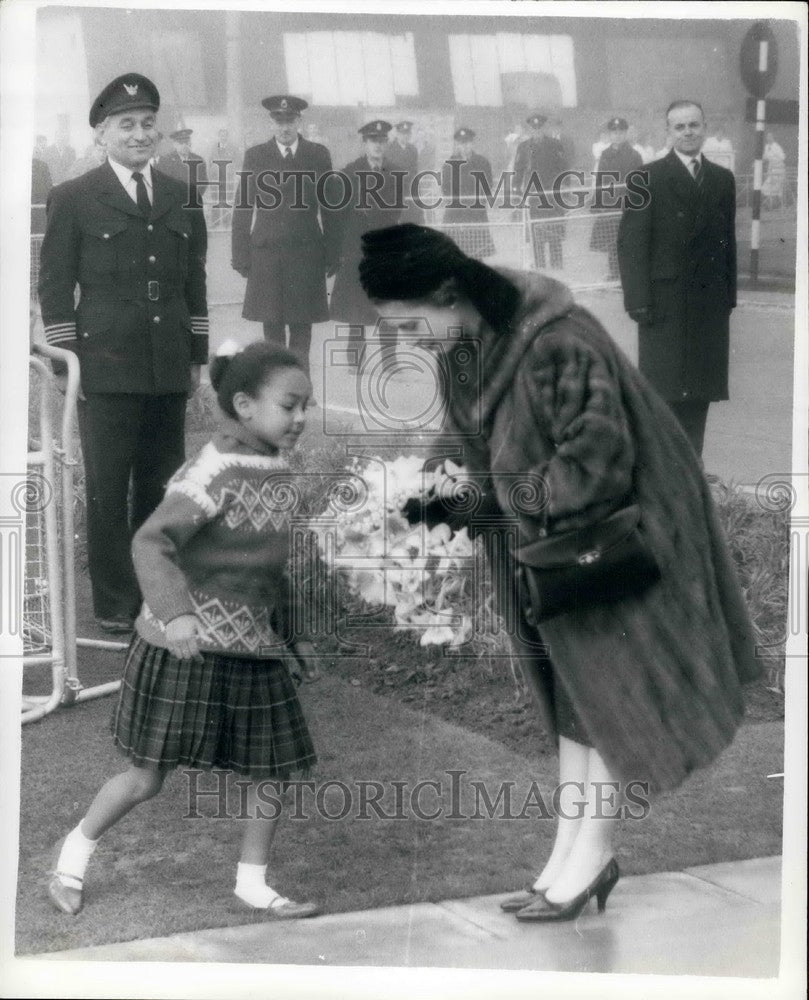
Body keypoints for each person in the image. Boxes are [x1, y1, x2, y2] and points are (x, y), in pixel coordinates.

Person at [358, 222, 759, 922]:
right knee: (574, 699)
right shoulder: (468, 338)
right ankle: (570, 855)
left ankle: (590, 854)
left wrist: (486, 498)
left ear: (448, 293)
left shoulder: (559, 341)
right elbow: (462, 432)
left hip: (621, 538)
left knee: (598, 701)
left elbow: (595, 466)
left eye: (408, 320)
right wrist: (431, 484)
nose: (407, 338)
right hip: (556, 542)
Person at [47, 341, 322, 921]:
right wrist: (176, 614)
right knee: (146, 778)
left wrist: (296, 637)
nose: (300, 419)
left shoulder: (280, 471)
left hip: (254, 649)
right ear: (245, 405)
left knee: (271, 772)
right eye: (290, 405)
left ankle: (252, 882)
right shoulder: (212, 470)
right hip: (184, 649)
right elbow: (152, 541)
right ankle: (72, 857)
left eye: (308, 408)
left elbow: (271, 567)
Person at [37, 73, 208, 633]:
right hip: (105, 364)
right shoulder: (74, 197)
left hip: (166, 361)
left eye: (147, 124)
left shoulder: (182, 194)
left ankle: (157, 593)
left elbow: (194, 281)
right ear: (100, 134)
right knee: (109, 487)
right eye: (127, 125)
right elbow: (56, 288)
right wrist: (70, 362)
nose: (140, 134)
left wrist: (196, 358)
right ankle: (113, 601)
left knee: (163, 486)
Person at [617, 100, 736, 457]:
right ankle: (663, 476)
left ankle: (692, 471)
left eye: (693, 125)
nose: (688, 133)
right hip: (663, 305)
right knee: (663, 397)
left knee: (699, 395)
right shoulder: (645, 177)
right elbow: (631, 244)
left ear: (704, 127)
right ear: (668, 132)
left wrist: (728, 297)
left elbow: (727, 242)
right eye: (679, 127)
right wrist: (637, 301)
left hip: (707, 306)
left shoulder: (722, 179)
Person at [231, 95, 338, 378]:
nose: (285, 127)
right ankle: (277, 384)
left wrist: (333, 252)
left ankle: (301, 384)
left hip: (306, 252)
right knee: (272, 323)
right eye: (279, 121)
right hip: (267, 253)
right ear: (271, 123)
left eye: (290, 120)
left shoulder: (318, 154)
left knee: (302, 324)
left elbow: (330, 208)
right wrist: (240, 254)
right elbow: (243, 207)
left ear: (299, 121)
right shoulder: (255, 155)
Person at [328, 120, 402, 370]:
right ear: (365, 143)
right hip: (356, 250)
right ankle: (355, 360)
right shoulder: (350, 173)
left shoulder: (395, 173)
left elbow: (398, 213)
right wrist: (341, 251)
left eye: (382, 142)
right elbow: (338, 216)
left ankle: (390, 360)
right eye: (373, 141)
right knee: (356, 308)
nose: (378, 146)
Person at [589, 117, 643, 281]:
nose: (617, 136)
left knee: (627, 241)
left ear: (626, 134)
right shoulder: (605, 154)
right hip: (610, 205)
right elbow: (600, 179)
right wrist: (597, 201)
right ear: (609, 134)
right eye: (614, 133)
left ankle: (627, 275)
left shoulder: (634, 155)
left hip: (627, 204)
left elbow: (640, 182)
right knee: (611, 240)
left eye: (620, 133)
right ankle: (614, 274)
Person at [513, 112, 568, 270]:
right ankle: (540, 269)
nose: (537, 131)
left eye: (540, 128)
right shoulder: (523, 147)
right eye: (533, 128)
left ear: (544, 128)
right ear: (529, 129)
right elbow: (518, 172)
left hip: (552, 198)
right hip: (534, 199)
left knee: (554, 237)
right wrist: (517, 195)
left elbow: (564, 170)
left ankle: (557, 270)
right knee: (537, 237)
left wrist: (563, 191)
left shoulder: (555, 145)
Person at [440, 127, 496, 259]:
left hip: (475, 213)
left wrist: (476, 200)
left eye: (467, 143)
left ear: (472, 143)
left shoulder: (482, 162)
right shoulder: (449, 164)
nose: (465, 147)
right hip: (455, 214)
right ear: (457, 145)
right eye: (461, 143)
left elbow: (488, 185)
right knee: (456, 252)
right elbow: (445, 188)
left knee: (477, 253)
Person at [158, 127, 209, 203]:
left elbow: (203, 181)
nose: (184, 146)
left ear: (190, 143)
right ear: (175, 144)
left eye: (187, 142)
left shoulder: (199, 160)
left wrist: (194, 196)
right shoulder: (166, 160)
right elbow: (162, 183)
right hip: (173, 203)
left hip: (193, 202)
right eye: (181, 143)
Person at [387, 120, 421, 224]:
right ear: (397, 134)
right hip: (394, 191)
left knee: (410, 219)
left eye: (407, 133)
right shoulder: (389, 150)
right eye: (402, 133)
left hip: (409, 190)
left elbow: (414, 170)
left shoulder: (413, 150)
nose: (405, 136)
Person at [761, 131, 786, 210]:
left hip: (778, 170)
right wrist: (757, 162)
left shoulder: (777, 147)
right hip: (771, 170)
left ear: (773, 138)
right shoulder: (766, 146)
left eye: (770, 137)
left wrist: (774, 160)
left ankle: (777, 205)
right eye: (767, 137)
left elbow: (783, 157)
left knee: (777, 188)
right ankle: (771, 205)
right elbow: (765, 157)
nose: (768, 138)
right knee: (765, 188)